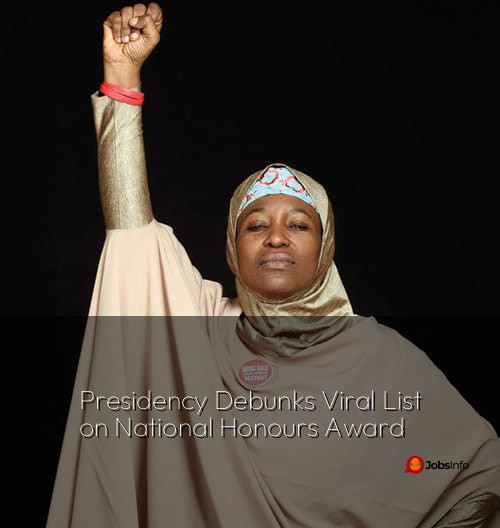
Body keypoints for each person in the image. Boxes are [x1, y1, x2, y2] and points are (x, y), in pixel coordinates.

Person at [47, 3, 500, 527]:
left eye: (299, 225)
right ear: (233, 248)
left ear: (325, 247)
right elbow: (133, 234)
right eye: (255, 225)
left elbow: (476, 476)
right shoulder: (200, 332)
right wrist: (122, 76)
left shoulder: (384, 359)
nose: (276, 237)